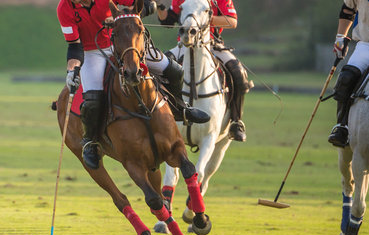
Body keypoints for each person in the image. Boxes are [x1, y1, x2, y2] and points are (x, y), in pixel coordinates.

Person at [57, 0, 209, 170]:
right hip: (93, 52)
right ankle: (91, 142)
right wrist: (72, 70)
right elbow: (74, 46)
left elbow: (137, 4)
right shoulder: (64, 8)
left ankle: (181, 108)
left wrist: (146, 6)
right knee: (93, 99)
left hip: (124, 41)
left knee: (174, 71)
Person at [157, 0, 251, 142]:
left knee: (238, 73)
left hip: (212, 44)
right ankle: (155, 115)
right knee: (159, 69)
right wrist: (160, 5)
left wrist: (202, 18)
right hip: (185, 45)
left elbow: (232, 21)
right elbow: (167, 20)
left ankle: (236, 121)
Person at [328, 0, 369, 147]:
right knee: (346, 77)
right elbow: (347, 10)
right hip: (368, 45)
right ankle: (342, 126)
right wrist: (341, 37)